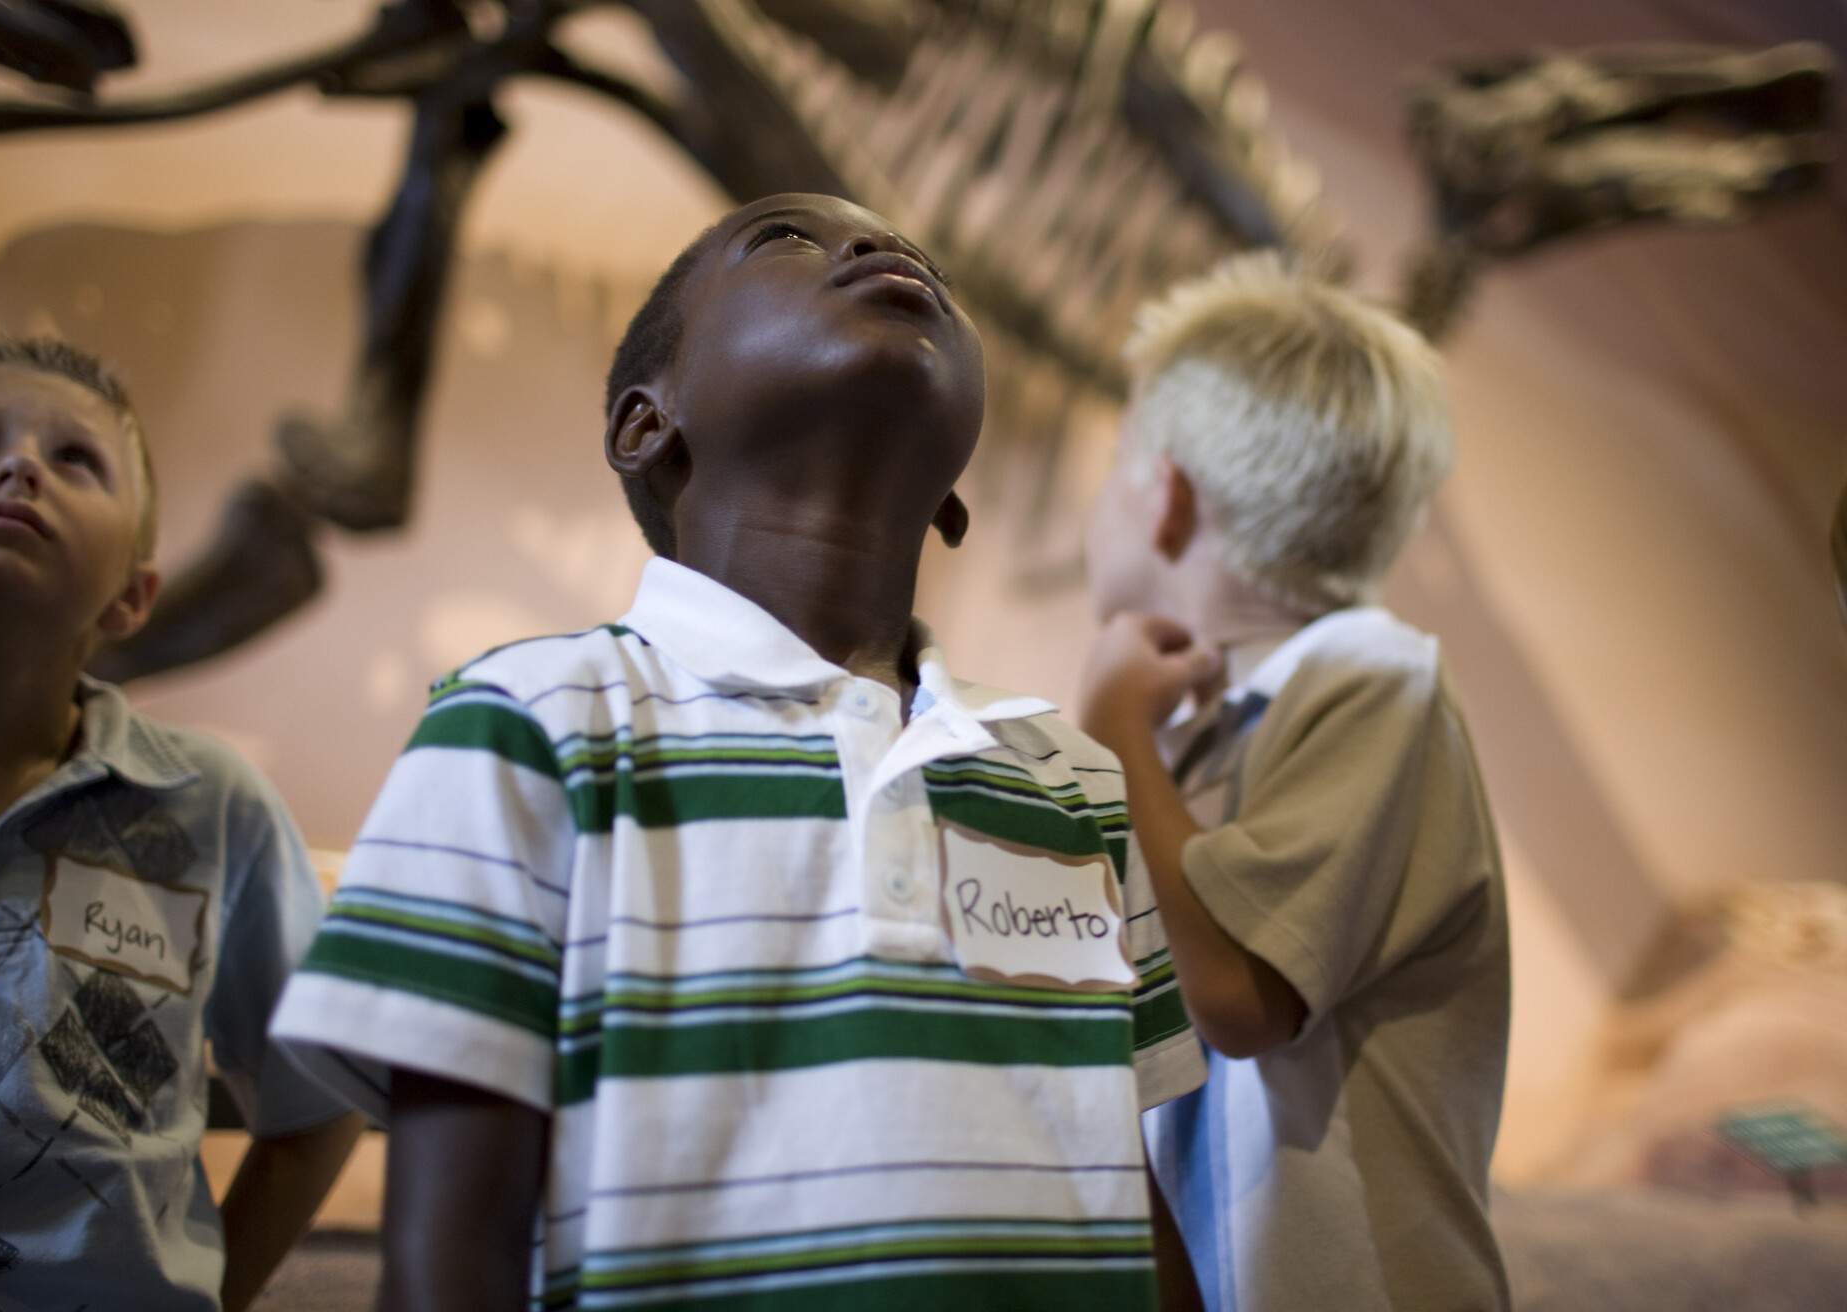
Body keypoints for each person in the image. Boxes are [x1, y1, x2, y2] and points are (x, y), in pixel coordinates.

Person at [270, 192, 1206, 1311]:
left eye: (926, 270)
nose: (882, 248)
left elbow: (1126, 1192)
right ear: (644, 425)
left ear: (952, 497)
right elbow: (445, 1257)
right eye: (787, 239)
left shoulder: (1074, 780)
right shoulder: (523, 723)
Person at [1078, 253, 1513, 1310]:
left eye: (1115, 461)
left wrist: (1108, 733)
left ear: (1167, 497)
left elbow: (1236, 997)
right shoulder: (1191, 744)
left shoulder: (1371, 677)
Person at [0, 338, 365, 1311]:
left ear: (133, 593)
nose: (20, 465)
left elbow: (322, 1098)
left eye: (75, 457)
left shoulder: (210, 803)